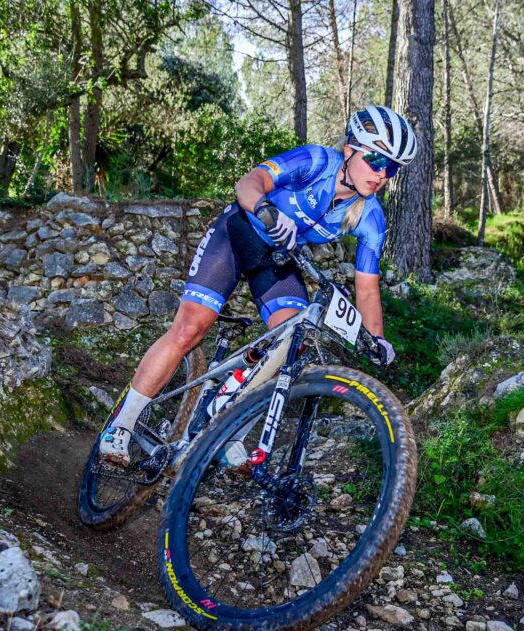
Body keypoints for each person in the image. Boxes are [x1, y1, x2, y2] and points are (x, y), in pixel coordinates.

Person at [98, 105, 419, 465]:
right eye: (376, 160)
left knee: (291, 342)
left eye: (391, 167)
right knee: (190, 328)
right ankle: (121, 425)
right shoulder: (316, 161)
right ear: (350, 149)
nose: (381, 174)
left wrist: (375, 339)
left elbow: (367, 288)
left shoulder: (371, 216)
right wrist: (266, 208)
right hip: (238, 235)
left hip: (279, 259)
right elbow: (248, 183)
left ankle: (226, 424)